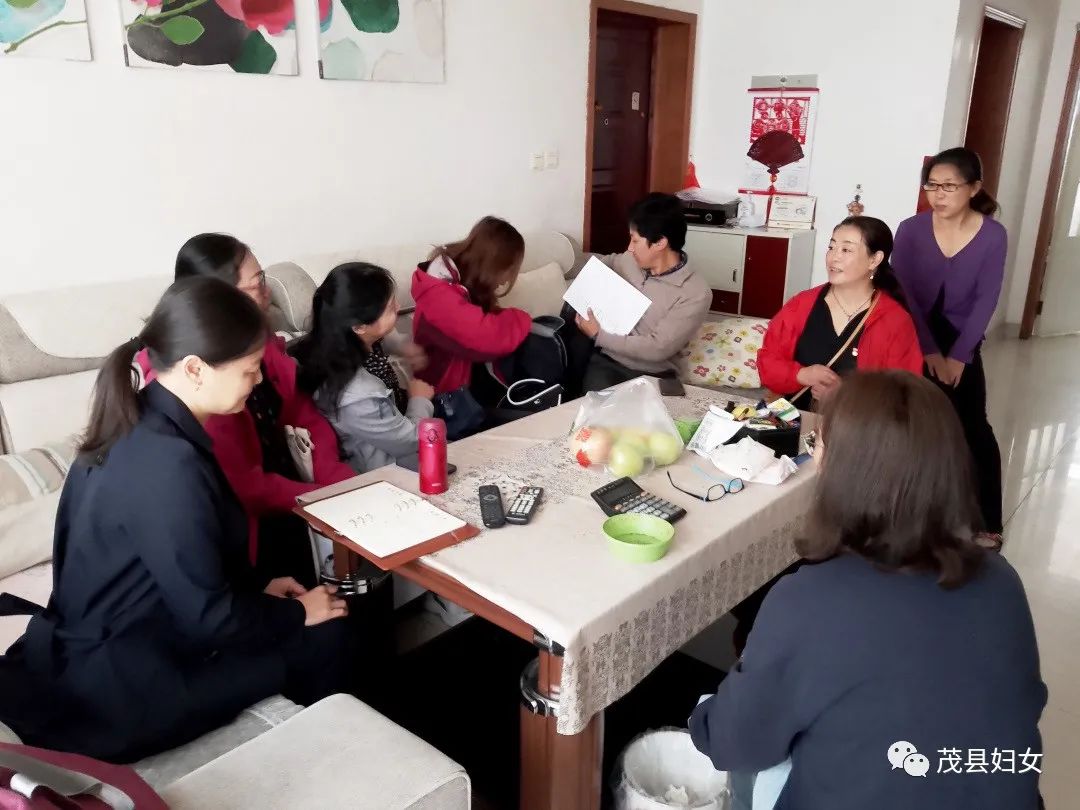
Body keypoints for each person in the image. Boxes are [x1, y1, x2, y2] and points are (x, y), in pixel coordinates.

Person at [0, 278, 350, 763]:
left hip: (117, 640)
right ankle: (334, 764)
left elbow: (178, 564)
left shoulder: (138, 420)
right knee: (328, 631)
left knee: (306, 611)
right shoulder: (169, 464)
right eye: (250, 371)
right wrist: (296, 614)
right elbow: (210, 618)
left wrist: (258, 590)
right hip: (129, 681)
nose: (257, 382)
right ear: (195, 369)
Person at [690, 371, 1046, 810]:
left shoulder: (810, 601)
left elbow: (735, 744)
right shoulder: (1003, 581)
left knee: (743, 753)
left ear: (846, 471)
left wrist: (704, 715)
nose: (816, 456)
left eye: (818, 443)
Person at [136, 233, 354, 585]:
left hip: (290, 485)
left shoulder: (254, 340)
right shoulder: (197, 389)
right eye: (257, 284)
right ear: (219, 299)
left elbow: (299, 408)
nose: (268, 293)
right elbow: (244, 486)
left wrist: (334, 478)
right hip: (251, 519)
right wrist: (319, 497)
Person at [892, 147, 1006, 538]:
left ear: (974, 188)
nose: (938, 195)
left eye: (949, 186)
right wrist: (929, 350)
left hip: (963, 338)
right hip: (913, 333)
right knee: (912, 425)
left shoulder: (993, 235)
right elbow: (904, 293)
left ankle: (987, 521)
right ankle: (910, 515)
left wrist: (960, 356)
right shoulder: (910, 230)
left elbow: (986, 298)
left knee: (974, 426)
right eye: (932, 186)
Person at [757, 216, 923, 410]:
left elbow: (905, 394)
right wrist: (801, 375)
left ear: (874, 259)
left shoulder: (895, 320)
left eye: (846, 250)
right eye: (831, 247)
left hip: (855, 426)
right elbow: (767, 362)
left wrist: (845, 395)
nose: (833, 257)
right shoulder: (801, 304)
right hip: (791, 420)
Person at [292, 262, 433, 473]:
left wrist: (402, 346)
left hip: (395, 435)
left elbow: (378, 338)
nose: (398, 307)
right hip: (385, 472)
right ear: (359, 326)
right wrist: (420, 399)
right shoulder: (357, 397)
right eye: (389, 308)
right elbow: (412, 441)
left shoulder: (333, 338)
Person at [566, 193, 711, 393]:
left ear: (660, 243)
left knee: (645, 411)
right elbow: (605, 262)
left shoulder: (695, 292)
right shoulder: (628, 260)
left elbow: (658, 348)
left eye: (635, 241)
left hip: (655, 374)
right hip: (608, 362)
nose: (629, 248)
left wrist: (599, 335)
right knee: (594, 405)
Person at [410, 216, 533, 437]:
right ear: (494, 265)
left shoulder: (458, 280)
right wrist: (522, 318)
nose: (505, 281)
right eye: (508, 271)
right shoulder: (439, 296)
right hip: (446, 402)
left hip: (466, 388)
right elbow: (489, 337)